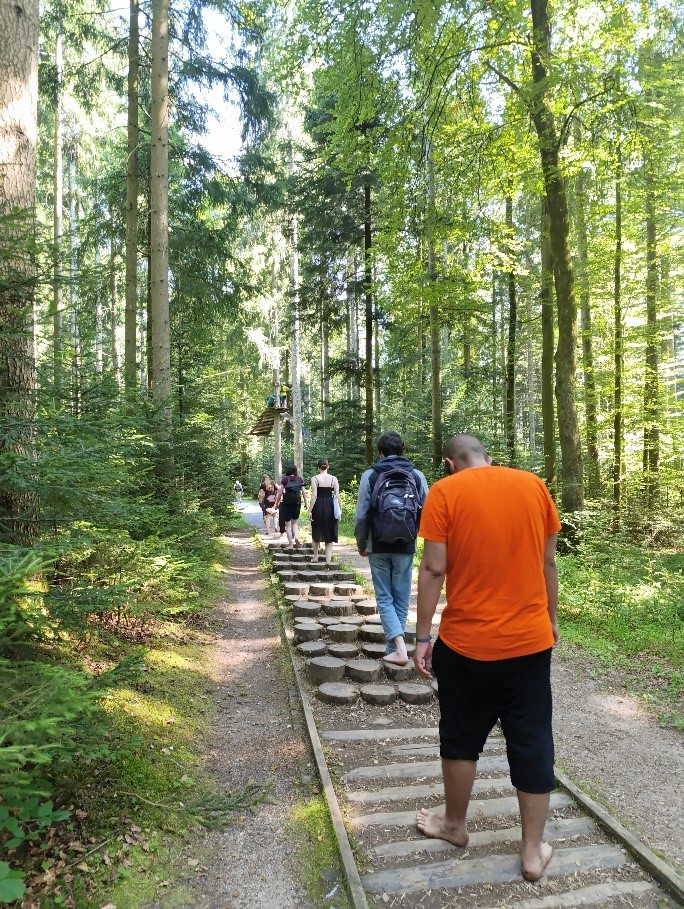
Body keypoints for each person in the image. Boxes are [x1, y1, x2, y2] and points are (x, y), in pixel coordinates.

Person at [413, 434, 561, 883]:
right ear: (488, 458)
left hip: (466, 644)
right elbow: (548, 563)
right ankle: (533, 852)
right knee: (532, 739)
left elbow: (435, 568)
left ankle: (455, 825)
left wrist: (422, 637)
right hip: (530, 643)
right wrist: (550, 620)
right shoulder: (533, 486)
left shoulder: (444, 491)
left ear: (449, 462)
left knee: (460, 735)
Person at [354, 431, 428, 666]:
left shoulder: (371, 475)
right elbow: (426, 510)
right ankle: (394, 648)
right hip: (406, 543)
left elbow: (361, 515)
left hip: (377, 543)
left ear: (381, 452)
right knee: (402, 598)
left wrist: (361, 542)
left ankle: (398, 648)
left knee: (385, 597)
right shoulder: (416, 475)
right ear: (403, 449)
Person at [308, 458, 341, 564]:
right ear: (328, 466)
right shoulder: (334, 479)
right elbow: (337, 496)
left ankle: (315, 557)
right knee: (329, 532)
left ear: (318, 467)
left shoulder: (315, 478)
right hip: (330, 506)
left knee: (316, 530)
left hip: (318, 506)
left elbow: (314, 495)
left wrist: (310, 510)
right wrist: (340, 509)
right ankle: (328, 560)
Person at [274, 464, 307, 549]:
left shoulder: (285, 480)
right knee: (295, 523)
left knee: (288, 525)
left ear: (288, 471)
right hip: (297, 503)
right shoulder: (300, 479)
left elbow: (280, 492)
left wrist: (277, 503)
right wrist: (306, 504)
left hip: (286, 503)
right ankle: (296, 536)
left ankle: (291, 544)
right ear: (295, 471)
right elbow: (303, 492)